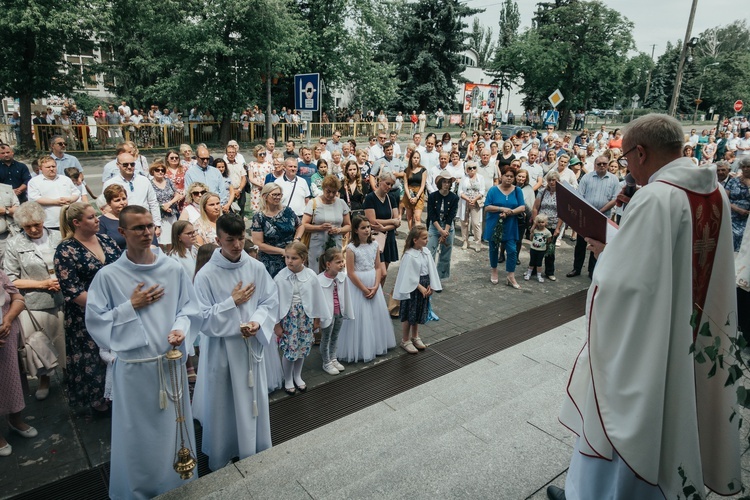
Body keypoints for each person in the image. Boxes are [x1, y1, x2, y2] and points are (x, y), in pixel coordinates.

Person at [549, 114, 741, 500]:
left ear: (641, 152)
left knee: (625, 406)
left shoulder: (656, 196)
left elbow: (622, 285)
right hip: (691, 327)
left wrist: (606, 253)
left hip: (652, 337)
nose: (627, 168)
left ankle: (594, 494)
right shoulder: (713, 191)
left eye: (626, 159)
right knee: (676, 406)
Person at [85, 205, 202, 499]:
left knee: (173, 430)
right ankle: (139, 490)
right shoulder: (109, 276)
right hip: (134, 369)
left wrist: (180, 329)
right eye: (138, 228)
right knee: (137, 435)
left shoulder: (172, 269)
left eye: (150, 226)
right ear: (122, 232)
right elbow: (96, 323)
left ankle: (177, 484)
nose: (147, 232)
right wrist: (129, 306)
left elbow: (189, 308)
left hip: (169, 364)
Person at [192, 213, 279, 470]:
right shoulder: (206, 275)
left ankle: (255, 446)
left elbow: (269, 300)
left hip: (250, 347)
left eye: (241, 238)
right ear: (218, 239)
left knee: (252, 400)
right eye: (230, 240)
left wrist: (258, 321)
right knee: (224, 403)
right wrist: (232, 302)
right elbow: (202, 319)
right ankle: (224, 450)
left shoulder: (255, 267)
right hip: (222, 350)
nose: (237, 245)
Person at [54, 203, 122, 412]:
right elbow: (72, 291)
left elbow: (122, 270)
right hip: (86, 315)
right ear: (76, 223)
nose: (97, 220)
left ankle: (119, 396)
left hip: (115, 310)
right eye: (91, 217)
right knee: (92, 358)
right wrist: (102, 308)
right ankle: (100, 402)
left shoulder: (106, 240)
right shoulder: (66, 250)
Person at [4, 202, 63, 401]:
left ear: (43, 221)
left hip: (62, 299)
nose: (33, 229)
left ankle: (69, 375)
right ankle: (44, 380)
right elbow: (11, 279)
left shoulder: (58, 236)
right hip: (34, 303)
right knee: (39, 344)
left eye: (36, 224)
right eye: (27, 227)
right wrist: (43, 284)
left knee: (63, 341)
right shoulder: (15, 243)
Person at [274, 242, 330, 395]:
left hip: (305, 317)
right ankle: (287, 378)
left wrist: (316, 319)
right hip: (288, 318)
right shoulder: (280, 277)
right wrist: (277, 325)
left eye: (294, 258)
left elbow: (317, 298)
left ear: (303, 258)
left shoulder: (310, 275)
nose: (289, 261)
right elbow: (275, 303)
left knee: (302, 347)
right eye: (287, 257)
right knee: (290, 349)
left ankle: (297, 376)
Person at [337, 216, 395, 362]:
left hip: (372, 281)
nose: (367, 230)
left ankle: (375, 344)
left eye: (368, 227)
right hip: (358, 285)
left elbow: (377, 267)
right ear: (356, 230)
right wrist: (363, 289)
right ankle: (360, 347)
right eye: (363, 227)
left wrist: (376, 285)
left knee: (375, 315)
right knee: (359, 316)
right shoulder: (351, 249)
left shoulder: (374, 245)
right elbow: (350, 273)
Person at [0, 268, 36, 457]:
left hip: (8, 336)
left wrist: (8, 319)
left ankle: (15, 420)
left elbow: (18, 298)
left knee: (12, 380)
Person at [566, 155, 619, 279]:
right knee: (580, 244)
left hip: (603, 217)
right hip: (585, 217)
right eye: (599, 163)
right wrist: (588, 211)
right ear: (595, 164)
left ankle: (592, 271)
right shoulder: (587, 177)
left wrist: (600, 211)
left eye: (604, 164)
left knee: (597, 245)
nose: (602, 166)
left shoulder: (614, 180)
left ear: (607, 164)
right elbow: (580, 196)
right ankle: (576, 268)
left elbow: (615, 199)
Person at [393, 224, 441, 355]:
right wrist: (419, 287)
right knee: (410, 313)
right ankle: (405, 339)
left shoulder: (426, 252)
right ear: (415, 240)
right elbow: (408, 275)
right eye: (424, 238)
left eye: (427, 237)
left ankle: (415, 336)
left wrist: (431, 284)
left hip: (424, 285)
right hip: (412, 289)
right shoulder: (409, 255)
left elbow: (430, 269)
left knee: (418, 311)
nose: (427, 240)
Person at [103, 152, 163, 238]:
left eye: (132, 164)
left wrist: (157, 225)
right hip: (125, 226)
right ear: (118, 165)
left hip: (144, 223)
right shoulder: (110, 183)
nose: (129, 167)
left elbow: (153, 203)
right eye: (125, 164)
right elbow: (107, 207)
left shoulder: (144, 181)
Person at [251, 183, 304, 278]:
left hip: (292, 258)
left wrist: (297, 239)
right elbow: (258, 243)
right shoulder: (259, 217)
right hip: (270, 262)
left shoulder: (287, 211)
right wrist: (282, 251)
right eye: (274, 194)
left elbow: (300, 225)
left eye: (279, 194)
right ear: (265, 196)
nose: (277, 197)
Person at [484, 165, 525, 288]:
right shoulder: (493, 190)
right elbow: (487, 207)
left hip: (510, 224)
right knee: (493, 248)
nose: (509, 178)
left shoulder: (518, 190)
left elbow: (522, 207)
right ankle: (494, 270)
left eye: (511, 176)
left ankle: (510, 275)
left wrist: (510, 212)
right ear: (501, 176)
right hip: (494, 224)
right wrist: (501, 208)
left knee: (512, 250)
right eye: (506, 176)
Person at [300, 175, 351, 270]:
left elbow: (348, 226)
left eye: (334, 192)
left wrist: (339, 230)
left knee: (335, 271)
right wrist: (319, 228)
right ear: (323, 188)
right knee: (317, 272)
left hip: (336, 244)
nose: (331, 195)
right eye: (328, 191)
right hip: (317, 246)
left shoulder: (341, 203)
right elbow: (303, 225)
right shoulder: (313, 202)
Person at [317, 248, 353, 375]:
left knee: (335, 336)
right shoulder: (319, 280)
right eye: (338, 262)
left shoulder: (342, 277)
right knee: (326, 337)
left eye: (342, 261)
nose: (342, 264)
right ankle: (326, 362)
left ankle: (333, 358)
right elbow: (318, 300)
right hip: (328, 314)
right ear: (328, 264)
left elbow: (345, 295)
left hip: (339, 312)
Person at [363, 172, 401, 283]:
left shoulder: (391, 198)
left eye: (391, 185)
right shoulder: (370, 198)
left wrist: (385, 228)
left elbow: (397, 222)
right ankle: (374, 294)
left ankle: (378, 297)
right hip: (376, 238)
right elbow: (372, 221)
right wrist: (391, 221)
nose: (389, 187)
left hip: (388, 237)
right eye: (387, 183)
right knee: (381, 273)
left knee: (384, 274)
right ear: (380, 181)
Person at [27, 156, 80, 231]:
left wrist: (70, 199)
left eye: (53, 166)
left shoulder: (65, 179)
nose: (51, 169)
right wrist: (55, 202)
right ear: (40, 168)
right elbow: (34, 198)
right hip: (49, 223)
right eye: (48, 167)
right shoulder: (34, 182)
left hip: (68, 220)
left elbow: (76, 192)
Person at [426, 171, 459, 281]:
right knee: (430, 252)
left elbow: (451, 216)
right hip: (435, 226)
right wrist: (440, 230)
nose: (446, 184)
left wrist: (445, 231)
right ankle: (428, 277)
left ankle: (440, 279)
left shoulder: (454, 198)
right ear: (440, 183)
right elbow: (431, 214)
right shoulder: (432, 196)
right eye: (444, 182)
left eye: (448, 182)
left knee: (445, 254)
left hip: (448, 227)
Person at [531, 171, 563, 280]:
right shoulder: (542, 191)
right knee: (537, 247)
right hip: (541, 224)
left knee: (550, 249)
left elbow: (562, 213)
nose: (552, 182)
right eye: (550, 180)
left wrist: (558, 228)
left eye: (554, 180)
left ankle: (549, 271)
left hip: (553, 224)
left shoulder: (561, 194)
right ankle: (533, 268)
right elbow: (535, 208)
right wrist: (535, 223)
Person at [150, 161, 183, 247]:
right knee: (161, 240)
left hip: (172, 213)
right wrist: (162, 207)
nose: (160, 172)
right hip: (159, 215)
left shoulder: (168, 181)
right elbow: (150, 200)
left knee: (172, 239)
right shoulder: (149, 183)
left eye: (162, 170)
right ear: (152, 171)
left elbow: (177, 194)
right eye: (157, 170)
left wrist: (169, 203)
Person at [458, 161, 486, 252]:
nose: (472, 170)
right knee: (464, 222)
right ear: (467, 169)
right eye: (470, 168)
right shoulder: (463, 178)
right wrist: (467, 199)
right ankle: (465, 241)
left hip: (476, 202)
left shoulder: (480, 178)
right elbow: (460, 192)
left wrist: (474, 200)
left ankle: (478, 242)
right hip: (465, 201)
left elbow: (482, 191)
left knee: (476, 223)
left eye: (474, 167)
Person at [724, 156, 750, 251]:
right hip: (732, 216)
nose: (746, 169)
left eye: (748, 166)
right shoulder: (733, 181)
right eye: (744, 166)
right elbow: (724, 199)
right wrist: (737, 209)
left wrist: (748, 185)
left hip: (747, 219)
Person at [401, 150, 427, 230]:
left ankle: (417, 235)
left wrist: (416, 197)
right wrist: (409, 197)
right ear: (411, 159)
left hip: (419, 193)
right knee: (409, 217)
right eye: (414, 158)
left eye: (417, 158)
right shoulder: (406, 170)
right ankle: (411, 234)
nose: (416, 159)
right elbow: (405, 184)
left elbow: (423, 185)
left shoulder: (423, 170)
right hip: (409, 193)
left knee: (417, 217)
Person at [98, 184, 129, 249]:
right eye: (117, 200)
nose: (122, 203)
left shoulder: (135, 217)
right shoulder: (102, 222)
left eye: (124, 199)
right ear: (109, 203)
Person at [523, 215, 552, 283]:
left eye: (542, 222)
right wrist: (532, 231)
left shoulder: (547, 232)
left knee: (539, 263)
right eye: (539, 222)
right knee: (532, 261)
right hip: (533, 249)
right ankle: (529, 273)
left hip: (541, 250)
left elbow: (549, 241)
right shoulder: (535, 230)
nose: (541, 224)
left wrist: (546, 248)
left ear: (545, 223)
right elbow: (531, 239)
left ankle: (539, 275)